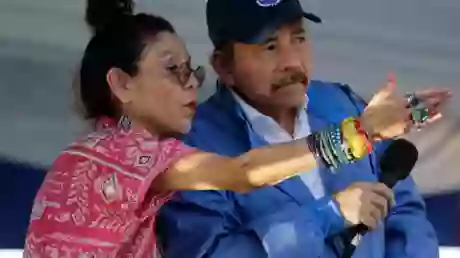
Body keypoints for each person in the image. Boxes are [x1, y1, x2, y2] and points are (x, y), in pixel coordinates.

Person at [22, 0, 414, 257]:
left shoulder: (86, 153)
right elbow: (243, 173)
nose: (192, 83)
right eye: (173, 69)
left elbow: (408, 214)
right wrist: (358, 135)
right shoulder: (135, 154)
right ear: (122, 84)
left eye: (191, 69)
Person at [157, 0, 452, 257]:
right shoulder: (194, 149)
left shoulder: (342, 104)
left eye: (298, 38)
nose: (291, 61)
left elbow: (403, 204)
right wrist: (328, 215)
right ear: (224, 66)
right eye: (269, 46)